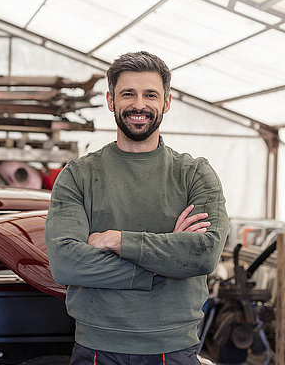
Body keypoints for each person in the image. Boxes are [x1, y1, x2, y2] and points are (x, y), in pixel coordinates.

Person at [45, 51, 229, 364]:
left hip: (173, 349)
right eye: (128, 93)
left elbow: (204, 253)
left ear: (166, 103)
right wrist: (164, 263)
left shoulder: (194, 173)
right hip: (97, 349)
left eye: (151, 95)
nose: (139, 104)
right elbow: (66, 262)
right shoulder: (78, 174)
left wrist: (117, 240)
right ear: (110, 100)